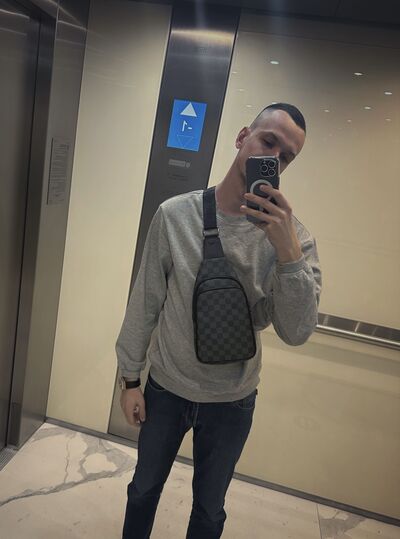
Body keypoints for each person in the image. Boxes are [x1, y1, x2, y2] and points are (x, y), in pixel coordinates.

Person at [116, 103, 322, 539]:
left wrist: (287, 254)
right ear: (242, 136)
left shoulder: (295, 239)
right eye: (268, 141)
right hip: (166, 387)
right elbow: (145, 302)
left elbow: (296, 331)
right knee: (142, 491)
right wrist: (130, 379)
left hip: (233, 400)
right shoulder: (176, 215)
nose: (273, 157)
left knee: (210, 512)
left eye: (285, 156)